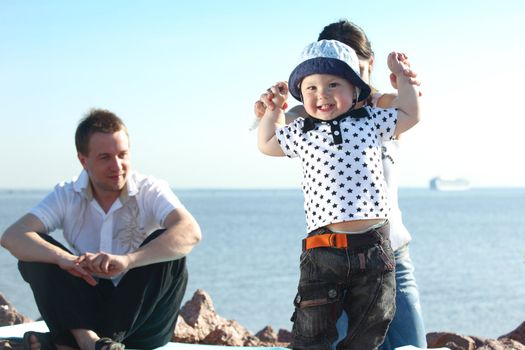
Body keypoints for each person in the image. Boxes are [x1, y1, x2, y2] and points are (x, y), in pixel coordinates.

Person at [255, 20, 427, 350]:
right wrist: (269, 111)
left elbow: (410, 111)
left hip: (389, 253)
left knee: (411, 346)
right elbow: (275, 133)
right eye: (317, 84)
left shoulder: (380, 110)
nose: (326, 94)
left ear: (364, 68)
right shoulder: (307, 120)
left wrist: (405, 81)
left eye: (339, 79)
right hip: (332, 252)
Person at [0, 109, 202, 350]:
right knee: (37, 253)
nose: (117, 166)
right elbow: (12, 236)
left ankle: (69, 343)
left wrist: (128, 260)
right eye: (105, 157)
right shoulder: (67, 194)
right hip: (89, 315)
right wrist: (66, 259)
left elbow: (190, 232)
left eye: (123, 155)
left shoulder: (150, 190)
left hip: (144, 323)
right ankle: (89, 342)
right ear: (83, 161)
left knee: (169, 251)